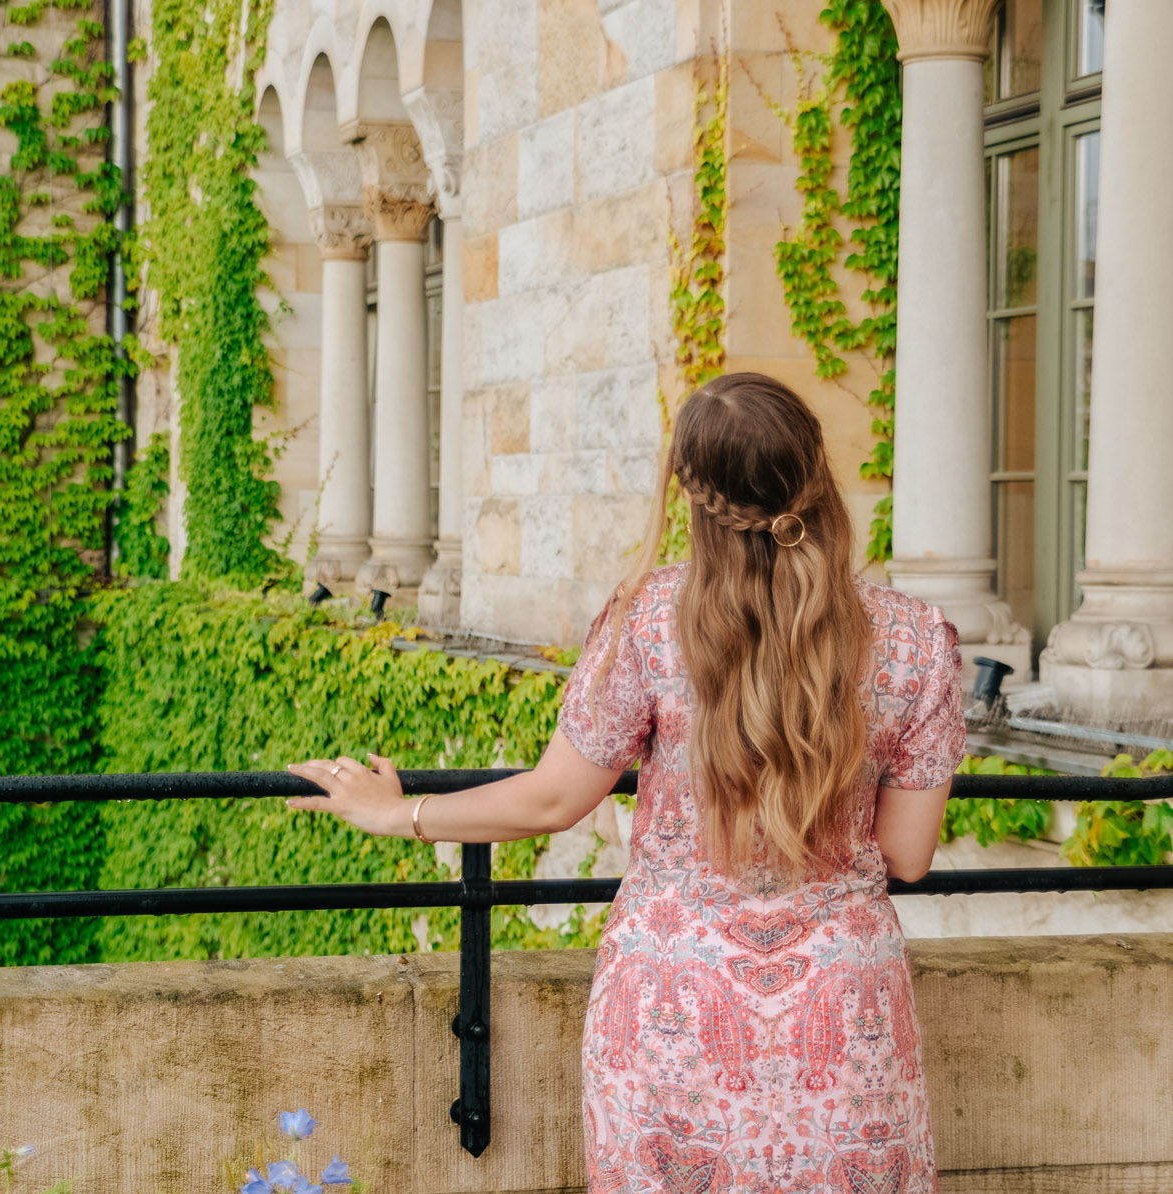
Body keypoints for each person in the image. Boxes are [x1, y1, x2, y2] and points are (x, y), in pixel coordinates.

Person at [286, 370, 966, 1194]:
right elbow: (908, 853)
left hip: (671, 1005)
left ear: (689, 492)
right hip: (843, 1012)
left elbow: (553, 798)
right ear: (816, 471)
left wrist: (401, 812)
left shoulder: (649, 619)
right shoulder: (917, 639)